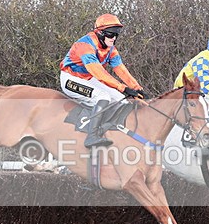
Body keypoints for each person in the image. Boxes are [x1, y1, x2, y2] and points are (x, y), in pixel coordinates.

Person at [59, 13, 146, 147]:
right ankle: (91, 136)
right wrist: (122, 87)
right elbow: (99, 73)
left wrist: (136, 88)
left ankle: (109, 130)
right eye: (110, 34)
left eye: (116, 34)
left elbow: (120, 69)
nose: (114, 38)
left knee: (119, 99)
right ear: (99, 33)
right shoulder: (85, 45)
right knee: (103, 96)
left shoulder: (111, 48)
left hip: (88, 78)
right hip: (70, 78)